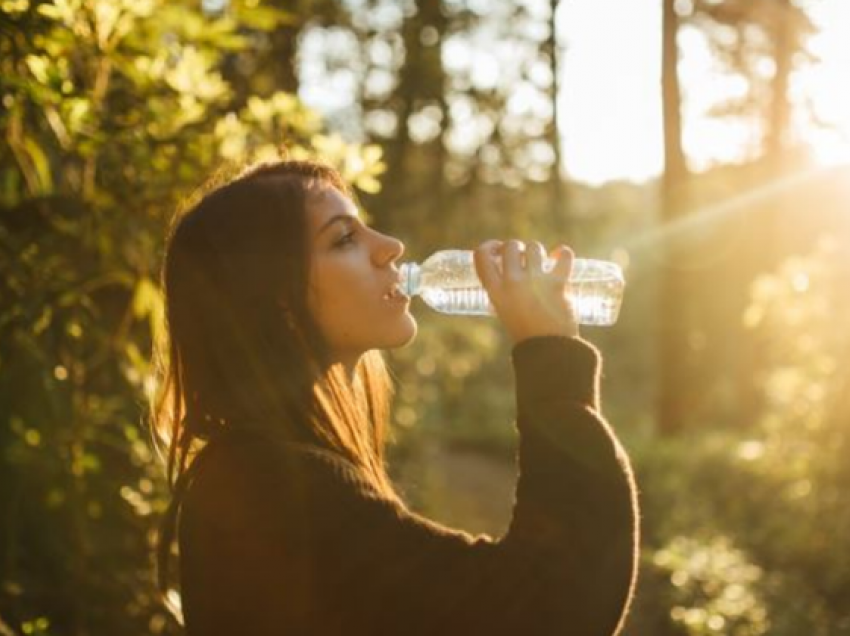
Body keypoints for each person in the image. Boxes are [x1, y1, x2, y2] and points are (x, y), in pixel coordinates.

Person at [152, 159, 639, 635]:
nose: (391, 247)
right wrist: (550, 357)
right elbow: (553, 605)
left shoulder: (260, 473)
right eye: (344, 239)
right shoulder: (277, 490)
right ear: (276, 300)